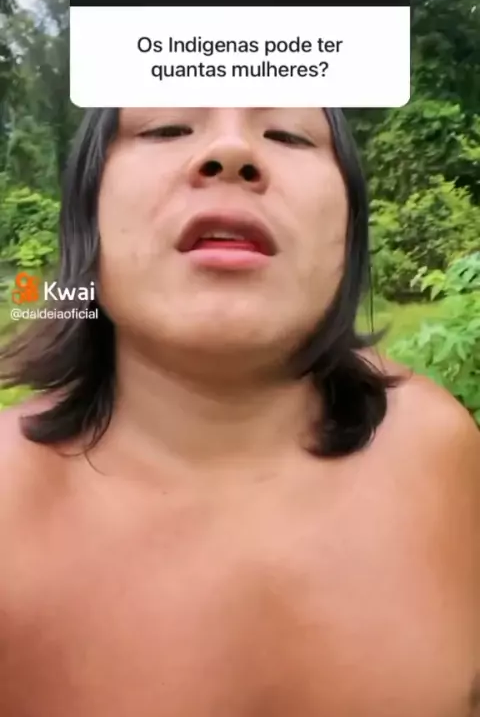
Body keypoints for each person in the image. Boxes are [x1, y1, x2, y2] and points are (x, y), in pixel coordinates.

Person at [0, 107, 478, 717]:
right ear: (86, 212)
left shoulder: (437, 450)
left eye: (288, 135)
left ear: (349, 232)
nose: (231, 151)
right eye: (166, 129)